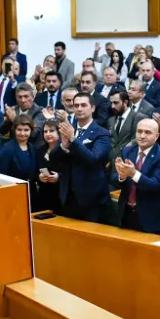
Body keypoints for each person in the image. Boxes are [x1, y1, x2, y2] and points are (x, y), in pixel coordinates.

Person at [50, 92, 111, 223]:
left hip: (92, 198)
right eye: (76, 105)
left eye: (83, 105)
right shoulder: (69, 129)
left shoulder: (102, 133)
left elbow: (93, 160)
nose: (79, 108)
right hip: (68, 195)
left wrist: (73, 139)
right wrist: (63, 147)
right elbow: (53, 160)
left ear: (93, 108)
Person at [113, 118, 160, 234]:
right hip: (126, 212)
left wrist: (133, 174)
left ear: (156, 136)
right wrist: (122, 176)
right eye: (139, 131)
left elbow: (157, 184)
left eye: (147, 132)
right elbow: (114, 177)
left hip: (150, 216)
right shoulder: (127, 151)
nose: (142, 135)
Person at [0, 116, 39, 194]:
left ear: (31, 131)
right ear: (14, 130)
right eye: (19, 130)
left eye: (26, 130)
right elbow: (0, 175)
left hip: (31, 192)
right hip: (13, 192)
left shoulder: (33, 148)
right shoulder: (7, 149)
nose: (22, 133)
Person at [35, 120, 63, 213]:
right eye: (45, 131)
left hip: (61, 194)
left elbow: (71, 172)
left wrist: (59, 177)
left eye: (51, 131)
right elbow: (35, 170)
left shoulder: (65, 150)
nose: (48, 134)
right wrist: (39, 176)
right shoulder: (40, 150)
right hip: (44, 193)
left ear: (59, 133)